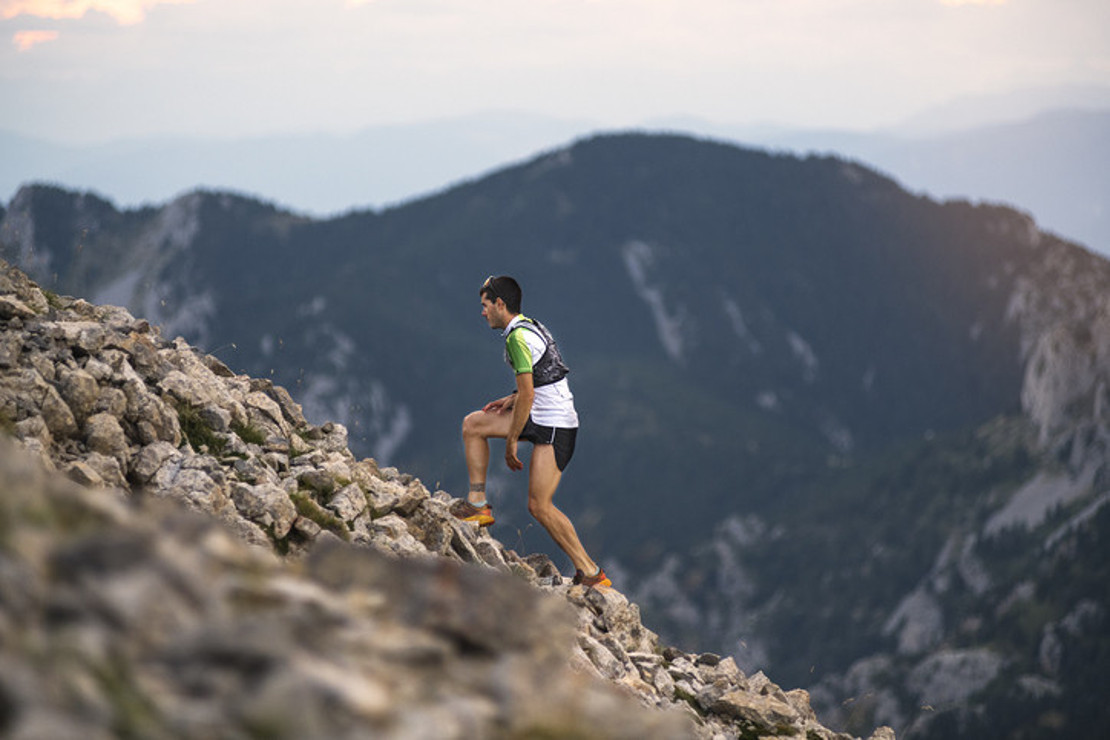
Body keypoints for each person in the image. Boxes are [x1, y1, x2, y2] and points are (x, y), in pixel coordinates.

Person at [453, 275, 610, 588]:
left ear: (500, 304)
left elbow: (529, 393)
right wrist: (510, 399)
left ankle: (591, 572)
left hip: (553, 426)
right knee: (473, 424)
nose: (482, 313)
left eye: (485, 306)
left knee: (540, 506)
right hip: (547, 418)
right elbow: (544, 376)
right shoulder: (531, 325)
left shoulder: (516, 338)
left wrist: (512, 439)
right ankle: (477, 503)